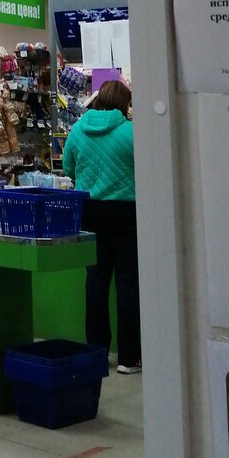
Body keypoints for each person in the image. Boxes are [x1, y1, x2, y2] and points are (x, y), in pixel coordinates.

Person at [62, 79, 141, 374]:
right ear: (123, 103)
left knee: (95, 281)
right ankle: (129, 357)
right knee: (127, 283)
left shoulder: (78, 130)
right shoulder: (131, 132)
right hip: (126, 211)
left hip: (89, 211)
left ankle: (96, 353)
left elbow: (68, 168)